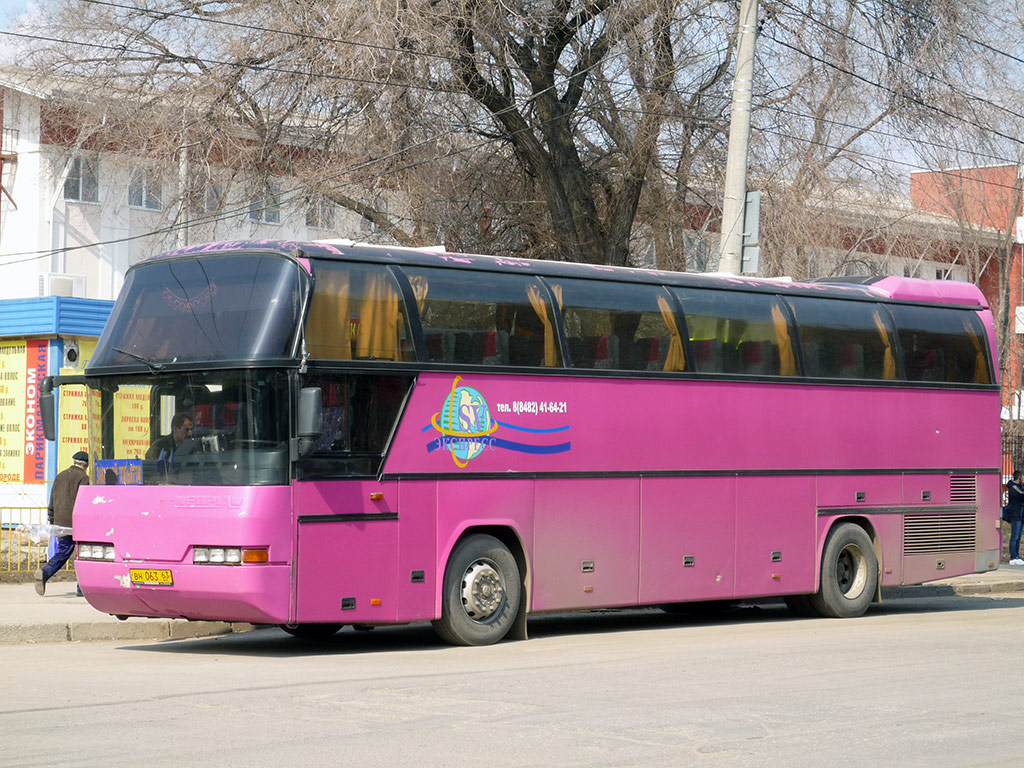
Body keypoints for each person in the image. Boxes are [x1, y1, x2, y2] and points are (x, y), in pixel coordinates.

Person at [34, 451, 90, 596]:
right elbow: (84, 502)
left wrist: (52, 519)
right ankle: (81, 588)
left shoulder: (60, 476)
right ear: (86, 465)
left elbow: (53, 499)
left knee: (63, 552)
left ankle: (45, 572)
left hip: (59, 523)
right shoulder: (83, 478)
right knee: (82, 554)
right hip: (77, 523)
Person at [1006, 469, 1024, 566]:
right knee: (1015, 536)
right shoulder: (1014, 487)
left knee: (1018, 537)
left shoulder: (1019, 487)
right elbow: (1022, 496)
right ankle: (1013, 557)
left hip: (1020, 515)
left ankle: (1017, 556)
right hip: (1016, 515)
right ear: (1019, 477)